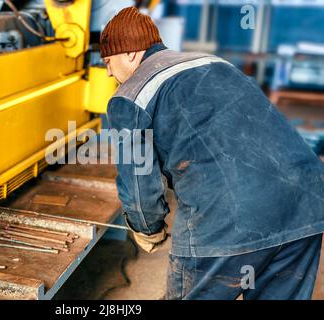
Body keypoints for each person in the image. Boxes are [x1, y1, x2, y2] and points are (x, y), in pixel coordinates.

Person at [100, 6, 324, 300]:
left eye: (108, 61)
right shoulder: (215, 63)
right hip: (305, 203)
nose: (107, 71)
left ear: (130, 53)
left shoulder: (130, 96)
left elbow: (139, 183)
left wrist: (147, 229)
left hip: (228, 220)